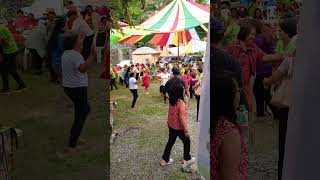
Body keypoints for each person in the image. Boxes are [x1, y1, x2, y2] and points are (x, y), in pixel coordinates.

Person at [61, 32, 96, 153]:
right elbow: (83, 69)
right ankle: (71, 145)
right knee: (82, 113)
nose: (82, 42)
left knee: (81, 111)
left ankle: (76, 136)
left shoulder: (66, 53)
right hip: (77, 89)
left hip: (69, 88)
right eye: (80, 40)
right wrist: (92, 55)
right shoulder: (75, 55)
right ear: (75, 43)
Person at [211, 74, 247, 180]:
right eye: (236, 90)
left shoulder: (213, 122)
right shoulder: (228, 131)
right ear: (227, 96)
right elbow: (230, 176)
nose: (239, 93)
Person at [160, 67, 195, 168]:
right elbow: (181, 118)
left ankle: (164, 159)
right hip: (178, 127)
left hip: (171, 125)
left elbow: (170, 113)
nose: (184, 91)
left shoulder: (172, 101)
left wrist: (168, 121)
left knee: (171, 141)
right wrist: (186, 130)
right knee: (187, 139)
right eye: (183, 90)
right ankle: (187, 158)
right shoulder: (181, 103)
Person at [0, 24, 26, 94]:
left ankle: (6, 88)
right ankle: (21, 85)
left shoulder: (0, 29)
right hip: (11, 51)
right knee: (10, 69)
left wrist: (1, 54)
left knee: (4, 69)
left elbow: (5, 43)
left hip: (9, 52)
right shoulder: (2, 27)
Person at [48, 18, 66, 84]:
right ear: (62, 26)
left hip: (54, 60)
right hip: (59, 61)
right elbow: (62, 49)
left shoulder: (54, 34)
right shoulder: (61, 36)